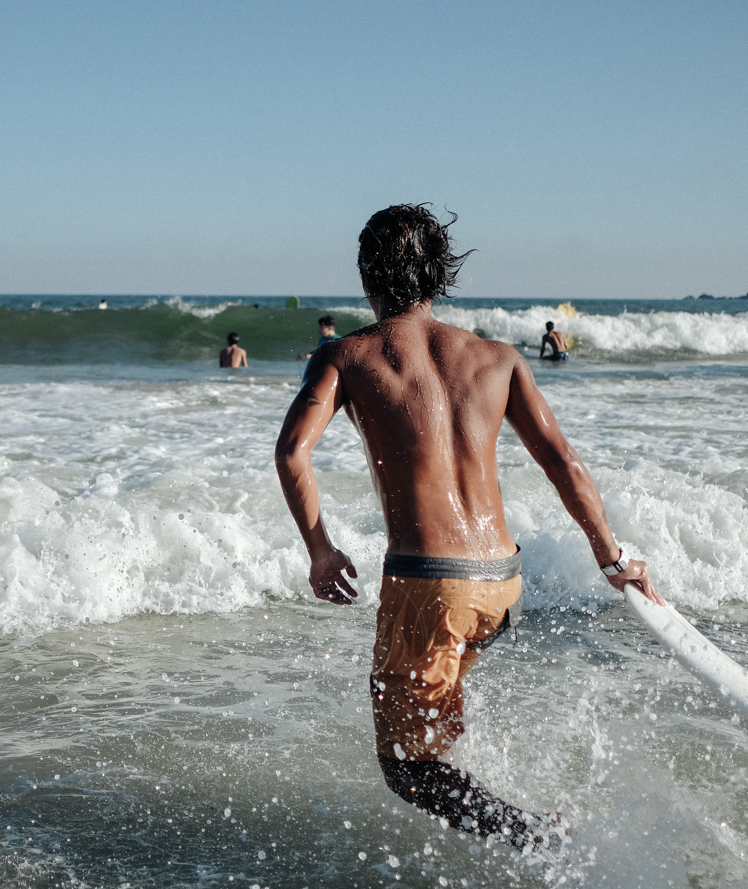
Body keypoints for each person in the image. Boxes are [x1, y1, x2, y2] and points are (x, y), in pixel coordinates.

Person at [274, 204, 661, 851]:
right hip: (503, 585)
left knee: (407, 768)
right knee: (435, 721)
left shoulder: (345, 354)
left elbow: (292, 454)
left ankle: (543, 842)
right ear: (438, 276)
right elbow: (564, 464)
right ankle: (494, 833)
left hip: (429, 585)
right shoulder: (497, 357)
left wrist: (320, 551)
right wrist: (614, 560)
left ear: (366, 277)